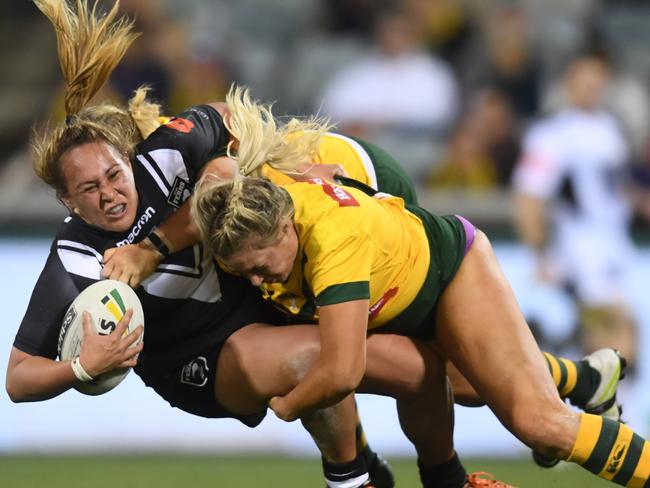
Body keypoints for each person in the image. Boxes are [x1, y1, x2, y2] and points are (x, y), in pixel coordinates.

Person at [3, 2, 423, 487]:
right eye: (88, 190)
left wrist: (157, 242)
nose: (109, 194)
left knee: (419, 367)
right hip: (201, 360)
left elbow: (229, 120)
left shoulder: (165, 157)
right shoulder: (77, 255)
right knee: (319, 357)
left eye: (113, 175)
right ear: (67, 201)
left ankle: (458, 446)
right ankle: (352, 478)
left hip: (262, 301)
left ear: (128, 157)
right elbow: (18, 378)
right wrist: (80, 367)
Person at [191, 90, 650, 487]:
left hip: (451, 275)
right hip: (395, 287)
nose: (256, 281)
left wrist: (285, 405)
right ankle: (585, 379)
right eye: (243, 271)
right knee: (454, 381)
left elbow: (341, 373)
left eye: (259, 267)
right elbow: (227, 140)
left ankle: (583, 390)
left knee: (539, 424)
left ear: (285, 227)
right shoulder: (249, 208)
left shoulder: (334, 245)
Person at [513, 53, 638, 372]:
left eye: (598, 77)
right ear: (568, 83)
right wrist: (539, 253)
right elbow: (529, 196)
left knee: (624, 338)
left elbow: (610, 191)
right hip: (580, 247)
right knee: (609, 337)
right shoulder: (552, 134)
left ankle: (616, 413)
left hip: (616, 246)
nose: (592, 85)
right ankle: (600, 416)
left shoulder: (612, 130)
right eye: (584, 77)